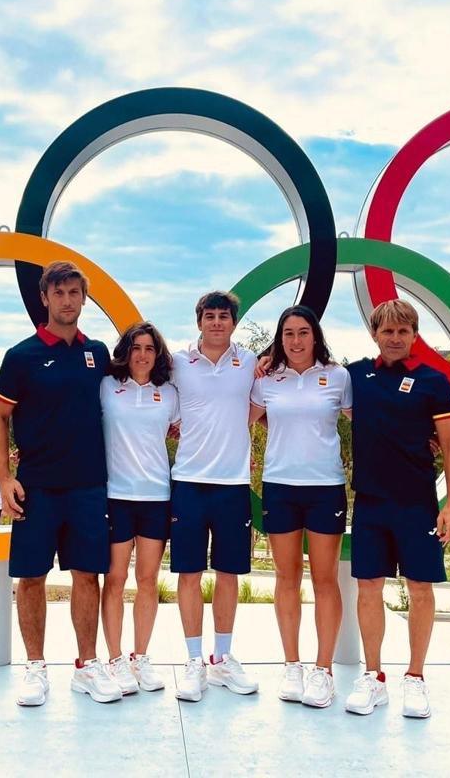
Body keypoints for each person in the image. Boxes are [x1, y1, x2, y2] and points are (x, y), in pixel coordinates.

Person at [0, 261, 121, 708]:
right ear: (44, 298)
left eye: (74, 293)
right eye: (59, 293)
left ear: (84, 298)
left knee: (89, 576)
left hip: (88, 486)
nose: (67, 300)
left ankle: (86, 666)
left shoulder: (99, 353)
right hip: (37, 488)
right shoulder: (21, 356)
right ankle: (35, 667)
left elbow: (143, 377)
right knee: (31, 578)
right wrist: (4, 478)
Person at [344, 299, 450, 719]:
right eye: (387, 331)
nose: (395, 338)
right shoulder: (357, 375)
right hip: (371, 503)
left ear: (415, 335)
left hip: (417, 504)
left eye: (403, 331)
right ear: (374, 333)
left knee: (420, 589)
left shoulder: (434, 381)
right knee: (368, 588)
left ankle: (415, 677)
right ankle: (373, 677)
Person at [249, 306, 351, 709]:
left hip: (326, 488)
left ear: (315, 335)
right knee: (286, 577)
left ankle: (322, 670)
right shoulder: (267, 379)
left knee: (325, 580)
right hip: (280, 487)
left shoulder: (338, 377)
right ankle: (292, 665)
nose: (295, 340)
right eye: (288, 333)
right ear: (280, 338)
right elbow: (244, 418)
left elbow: (370, 421)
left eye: (303, 332)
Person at [169, 291, 259, 702]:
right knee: (188, 574)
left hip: (233, 485)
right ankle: (192, 662)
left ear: (234, 323)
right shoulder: (177, 362)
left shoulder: (252, 363)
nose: (217, 322)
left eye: (225, 316)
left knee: (228, 574)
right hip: (187, 482)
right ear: (199, 321)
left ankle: (221, 660)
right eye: (210, 316)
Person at [99, 322, 179, 695]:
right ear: (126, 351)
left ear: (157, 353)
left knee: (147, 581)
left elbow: (182, 431)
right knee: (115, 580)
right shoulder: (107, 388)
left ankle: (139, 657)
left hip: (157, 498)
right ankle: (114, 660)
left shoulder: (169, 393)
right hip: (117, 496)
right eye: (136, 347)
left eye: (149, 348)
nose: (143, 354)